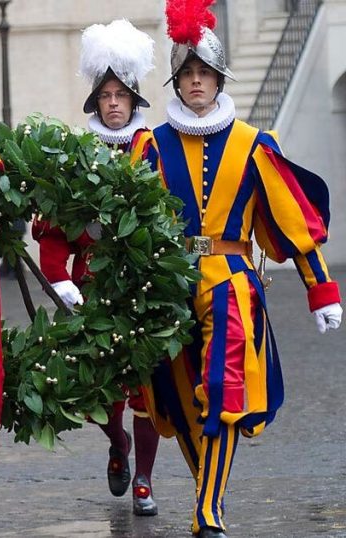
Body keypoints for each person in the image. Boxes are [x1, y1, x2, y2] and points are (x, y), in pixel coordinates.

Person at [142, 2, 342, 536]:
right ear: (178, 83)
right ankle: (209, 489)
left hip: (231, 280)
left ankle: (208, 509)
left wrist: (321, 287)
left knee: (223, 385)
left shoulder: (256, 145)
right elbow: (125, 222)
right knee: (176, 397)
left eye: (204, 74)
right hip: (166, 282)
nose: (196, 83)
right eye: (187, 74)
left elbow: (294, 220)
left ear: (218, 79)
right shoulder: (151, 145)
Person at [33, 19, 161, 516]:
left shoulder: (154, 149)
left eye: (120, 95)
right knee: (97, 393)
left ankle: (145, 480)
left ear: (132, 100)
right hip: (90, 287)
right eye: (104, 95)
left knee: (146, 390)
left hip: (146, 285)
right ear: (96, 101)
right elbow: (53, 228)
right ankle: (118, 444)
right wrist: (60, 279)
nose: (112, 102)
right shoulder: (74, 153)